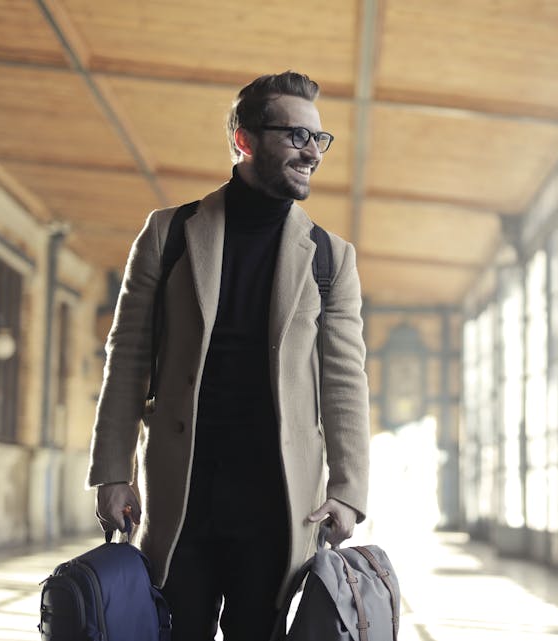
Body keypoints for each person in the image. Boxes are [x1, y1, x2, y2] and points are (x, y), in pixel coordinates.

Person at [86, 70, 370, 641]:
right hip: (182, 491)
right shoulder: (168, 234)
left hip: (278, 498)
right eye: (296, 136)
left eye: (319, 139)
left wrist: (347, 490)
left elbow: (345, 380)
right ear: (244, 141)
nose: (313, 152)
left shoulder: (329, 258)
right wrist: (112, 470)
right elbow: (128, 356)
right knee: (177, 628)